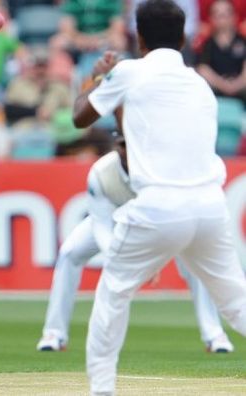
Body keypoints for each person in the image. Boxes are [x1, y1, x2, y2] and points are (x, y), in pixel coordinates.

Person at [72, 1, 246, 394]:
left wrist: (97, 78)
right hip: (209, 206)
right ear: (184, 39)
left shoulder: (129, 72)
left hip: (159, 207)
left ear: (140, 38)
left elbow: (80, 117)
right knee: (237, 303)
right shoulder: (199, 84)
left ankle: (101, 389)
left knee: (114, 290)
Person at [36, 138, 234, 354]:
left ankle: (215, 336)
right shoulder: (101, 172)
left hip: (162, 222)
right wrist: (130, 260)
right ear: (116, 147)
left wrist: (153, 257)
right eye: (122, 145)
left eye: (131, 145)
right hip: (113, 219)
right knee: (69, 253)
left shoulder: (163, 169)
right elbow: (101, 226)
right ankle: (54, 334)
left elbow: (168, 214)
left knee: (195, 263)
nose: (127, 151)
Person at [195, 0, 246, 105]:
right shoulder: (206, 43)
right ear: (211, 18)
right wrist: (223, 85)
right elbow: (203, 69)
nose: (222, 19)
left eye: (226, 14)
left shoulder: (242, 41)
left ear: (234, 16)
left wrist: (235, 85)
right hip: (214, 93)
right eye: (218, 15)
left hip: (241, 91)